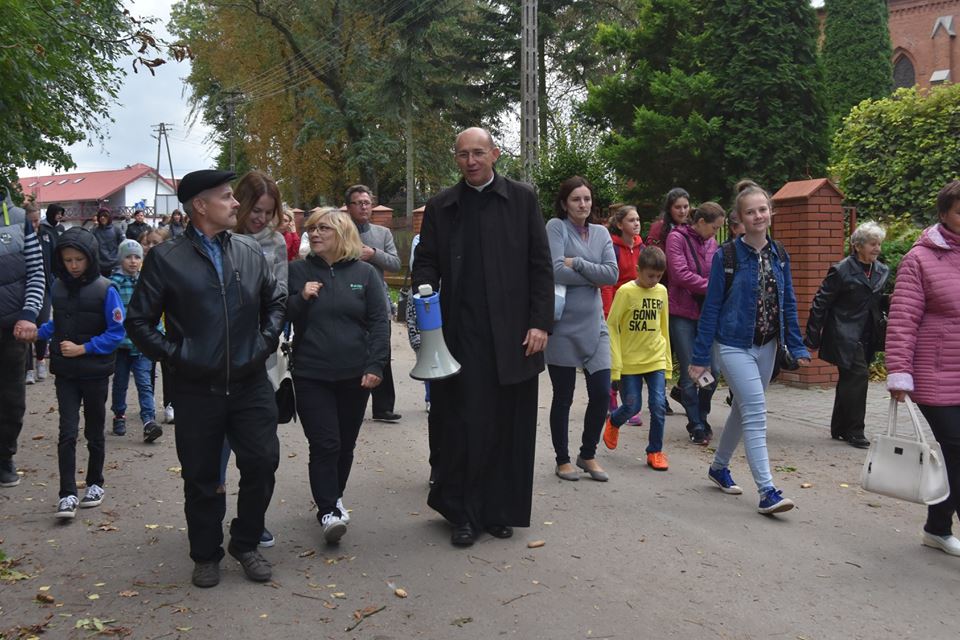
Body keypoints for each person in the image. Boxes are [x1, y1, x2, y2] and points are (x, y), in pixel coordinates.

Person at [125, 169, 285, 588]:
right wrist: (180, 356)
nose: (236, 203)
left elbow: (276, 301)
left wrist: (263, 343)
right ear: (200, 205)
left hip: (250, 383)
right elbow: (138, 322)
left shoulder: (249, 250)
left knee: (262, 463)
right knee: (201, 477)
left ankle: (245, 543)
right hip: (197, 389)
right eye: (227, 196)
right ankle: (205, 554)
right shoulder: (166, 258)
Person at [411, 127, 553, 547]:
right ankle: (464, 514)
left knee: (509, 425)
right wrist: (425, 294)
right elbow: (425, 261)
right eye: (462, 155)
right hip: (463, 334)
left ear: (495, 154)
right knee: (466, 425)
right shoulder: (442, 206)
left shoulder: (522, 199)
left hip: (515, 336)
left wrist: (540, 323)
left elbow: (540, 265)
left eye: (478, 153)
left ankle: (498, 510)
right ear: (456, 159)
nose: (470, 161)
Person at [689, 181, 809, 515]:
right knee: (755, 411)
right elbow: (711, 308)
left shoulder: (779, 254)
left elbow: (788, 302)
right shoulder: (726, 256)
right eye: (751, 211)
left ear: (771, 212)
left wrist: (796, 345)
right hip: (733, 345)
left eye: (762, 209)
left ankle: (718, 467)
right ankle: (767, 491)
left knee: (743, 410)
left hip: (767, 346)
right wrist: (700, 358)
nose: (758, 216)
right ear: (739, 218)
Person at [287, 207, 389, 543]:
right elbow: (281, 312)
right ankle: (328, 510)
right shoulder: (297, 271)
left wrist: (375, 365)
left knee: (345, 445)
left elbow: (379, 322)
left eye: (324, 229)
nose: (315, 234)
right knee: (325, 443)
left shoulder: (366, 274)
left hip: (354, 375)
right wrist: (301, 298)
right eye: (312, 228)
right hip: (310, 372)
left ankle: (335, 496)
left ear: (342, 234)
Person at [886, 180, 960, 557]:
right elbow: (903, 319)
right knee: (956, 447)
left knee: (954, 455)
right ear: (944, 213)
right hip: (936, 373)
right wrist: (899, 373)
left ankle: (937, 527)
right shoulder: (919, 258)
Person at [218, 169, 287, 548]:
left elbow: (279, 296)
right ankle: (211, 518)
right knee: (216, 449)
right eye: (255, 209)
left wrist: (265, 341)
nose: (260, 218)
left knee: (259, 451)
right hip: (215, 358)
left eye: (267, 212)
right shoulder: (218, 237)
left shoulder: (274, 243)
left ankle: (252, 520)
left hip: (260, 356)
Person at [36, 227, 125, 519]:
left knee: (94, 431)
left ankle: (95, 483)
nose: (73, 265)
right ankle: (67, 494)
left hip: (95, 373)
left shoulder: (106, 289)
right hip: (65, 374)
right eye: (68, 260)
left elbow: (116, 332)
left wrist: (84, 348)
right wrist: (37, 333)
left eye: (79, 259)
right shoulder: (58, 286)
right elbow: (57, 324)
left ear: (90, 258)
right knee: (67, 432)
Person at [545, 176, 617, 482]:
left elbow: (611, 275)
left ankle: (587, 454)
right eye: (576, 199)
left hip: (595, 325)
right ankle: (562, 459)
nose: (582, 204)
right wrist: (593, 275)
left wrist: (578, 264)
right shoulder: (555, 227)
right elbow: (555, 269)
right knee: (563, 396)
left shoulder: (601, 233)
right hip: (562, 326)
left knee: (601, 393)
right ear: (565, 203)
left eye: (586, 198)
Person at [805, 221, 889, 449]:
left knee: (850, 380)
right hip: (844, 333)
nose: (877, 248)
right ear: (858, 246)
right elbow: (820, 303)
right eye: (872, 244)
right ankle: (855, 431)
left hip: (869, 334)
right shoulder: (841, 270)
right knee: (858, 377)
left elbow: (876, 300)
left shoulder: (882, 270)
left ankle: (839, 427)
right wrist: (812, 338)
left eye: (879, 244)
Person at [603, 246, 672, 470]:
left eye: (659, 276)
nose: (654, 281)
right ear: (637, 270)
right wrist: (616, 365)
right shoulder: (625, 292)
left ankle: (655, 451)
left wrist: (667, 364)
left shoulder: (661, 292)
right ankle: (614, 421)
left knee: (658, 405)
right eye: (650, 275)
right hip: (630, 361)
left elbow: (664, 327)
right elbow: (612, 326)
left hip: (655, 358)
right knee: (632, 406)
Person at [666, 202, 724, 445]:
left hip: (706, 313)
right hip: (682, 312)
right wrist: (712, 287)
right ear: (700, 222)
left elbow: (718, 272)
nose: (716, 232)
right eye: (714, 227)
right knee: (691, 371)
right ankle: (696, 424)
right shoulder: (676, 238)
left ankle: (702, 413)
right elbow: (679, 274)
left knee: (714, 370)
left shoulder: (712, 243)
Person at [345, 185, 402, 423]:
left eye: (367, 202)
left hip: (377, 302)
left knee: (382, 353)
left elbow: (396, 264)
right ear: (348, 207)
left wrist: (374, 254)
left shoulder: (383, 233)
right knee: (351, 353)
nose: (363, 207)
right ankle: (349, 404)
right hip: (349, 302)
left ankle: (383, 407)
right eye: (358, 203)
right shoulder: (340, 231)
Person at [0, 193, 45, 488]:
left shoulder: (17, 219)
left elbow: (36, 272)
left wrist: (29, 315)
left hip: (12, 328)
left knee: (11, 400)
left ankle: (4, 456)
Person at [109, 239, 162, 443]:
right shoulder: (113, 284)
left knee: (144, 383)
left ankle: (149, 421)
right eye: (128, 257)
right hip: (121, 345)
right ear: (121, 259)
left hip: (142, 345)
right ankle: (119, 415)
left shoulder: (146, 283)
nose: (133, 261)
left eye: (137, 257)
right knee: (120, 383)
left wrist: (158, 333)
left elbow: (153, 309)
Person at [600, 205, 645, 425]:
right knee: (615, 358)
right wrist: (609, 313)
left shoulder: (642, 247)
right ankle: (612, 398)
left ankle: (630, 404)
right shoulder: (612, 247)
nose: (636, 224)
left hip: (635, 312)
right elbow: (608, 283)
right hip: (616, 310)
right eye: (631, 220)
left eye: (638, 220)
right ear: (620, 224)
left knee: (631, 359)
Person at [138, 228, 175, 425]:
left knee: (169, 368)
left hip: (168, 325)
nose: (150, 246)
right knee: (147, 367)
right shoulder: (138, 266)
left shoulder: (172, 267)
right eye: (147, 243)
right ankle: (148, 403)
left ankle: (170, 403)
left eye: (155, 242)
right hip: (149, 325)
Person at [92, 208, 123, 277]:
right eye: (100, 216)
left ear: (109, 217)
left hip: (115, 265)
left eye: (105, 216)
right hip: (100, 266)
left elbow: (123, 245)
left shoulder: (117, 230)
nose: (102, 218)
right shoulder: (94, 231)